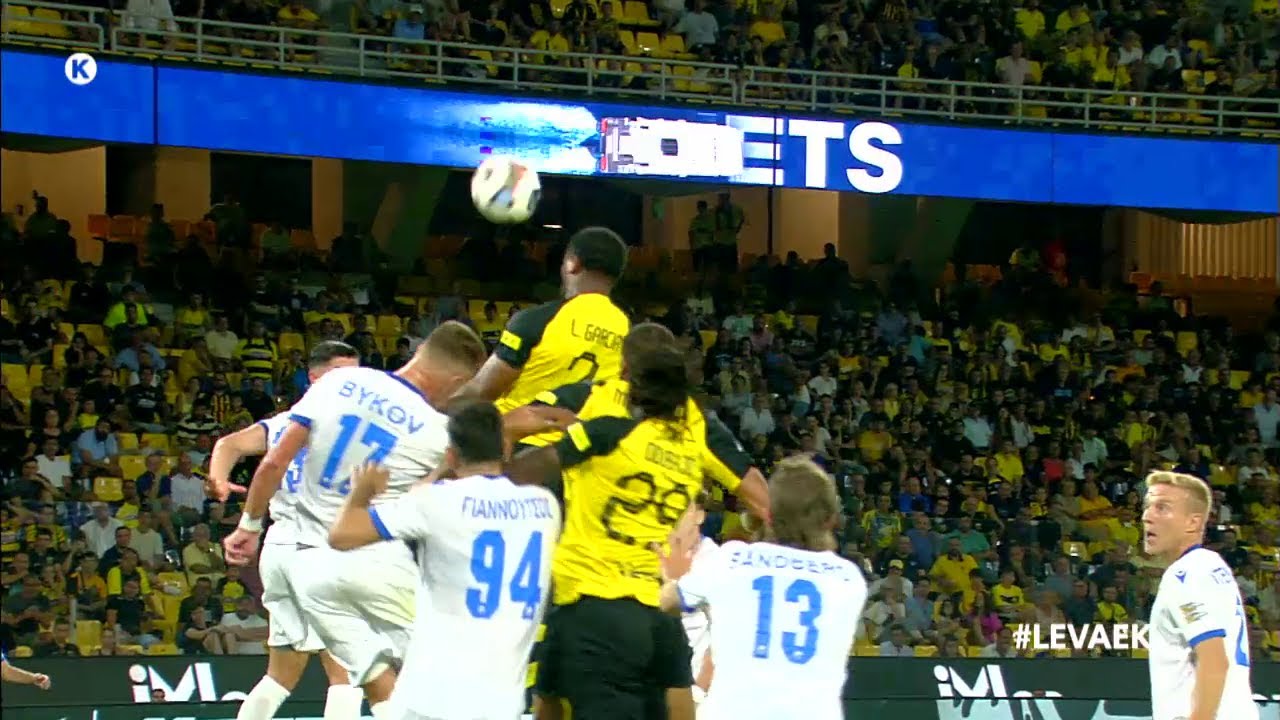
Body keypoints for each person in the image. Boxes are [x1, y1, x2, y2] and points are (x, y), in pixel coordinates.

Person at [223, 321, 487, 720]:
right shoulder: (437, 434)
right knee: (438, 670)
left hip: (298, 559)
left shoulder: (338, 382)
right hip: (367, 560)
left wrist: (249, 526)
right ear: (455, 381)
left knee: (335, 676)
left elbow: (273, 462)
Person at [505, 342, 770, 720]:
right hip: (658, 611)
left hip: (591, 603)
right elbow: (760, 497)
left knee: (550, 703)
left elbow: (522, 470)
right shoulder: (690, 456)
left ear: (630, 381)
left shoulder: (608, 432)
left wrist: (508, 445)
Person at [329, 401, 560, 720]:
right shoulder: (545, 505)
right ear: (505, 449)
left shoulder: (436, 500)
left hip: (431, 697)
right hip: (502, 703)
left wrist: (361, 493)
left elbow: (342, 535)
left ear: (451, 456)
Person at [206, 341, 363, 720]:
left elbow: (228, 445)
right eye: (341, 374)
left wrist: (217, 476)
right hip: (320, 551)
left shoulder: (282, 424)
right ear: (314, 377)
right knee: (346, 673)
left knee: (280, 675)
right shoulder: (351, 430)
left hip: (279, 551)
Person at [656, 456, 867, 720]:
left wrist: (670, 576)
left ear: (768, 513)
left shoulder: (731, 560)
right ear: (830, 519)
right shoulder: (849, 579)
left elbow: (665, 602)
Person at [452, 226, 632, 414]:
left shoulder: (536, 320)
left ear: (572, 264)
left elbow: (481, 391)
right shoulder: (628, 331)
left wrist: (439, 407)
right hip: (587, 431)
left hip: (520, 430)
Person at [1141, 471, 1259, 720]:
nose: (1147, 516)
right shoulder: (1212, 566)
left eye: (1162, 508)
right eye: (1148, 506)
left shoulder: (1184, 574)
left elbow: (1214, 662)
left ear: (1193, 522)